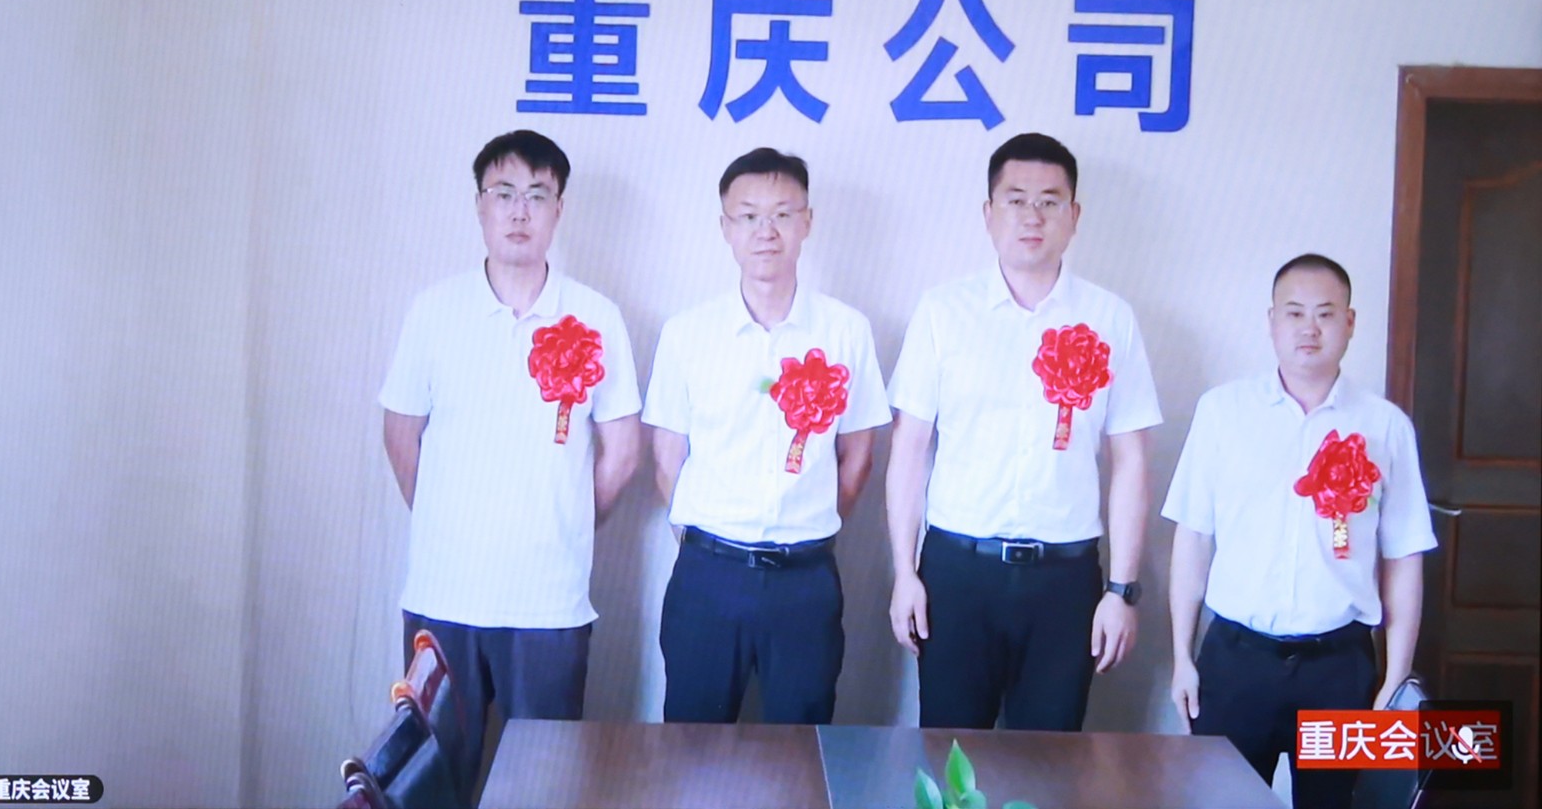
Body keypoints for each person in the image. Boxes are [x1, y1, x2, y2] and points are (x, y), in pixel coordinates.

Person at [378, 129, 642, 804]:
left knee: (547, 785)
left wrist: (565, 521)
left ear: (560, 209)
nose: (520, 211)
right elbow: (401, 435)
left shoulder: (596, 316)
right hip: (444, 595)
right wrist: (446, 520)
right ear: (479, 205)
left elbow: (623, 452)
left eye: (537, 195)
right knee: (432, 783)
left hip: (549, 600)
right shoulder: (434, 311)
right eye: (504, 193)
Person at [885, 132, 1161, 731]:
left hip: (1066, 580)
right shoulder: (942, 312)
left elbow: (1131, 462)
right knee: (950, 754)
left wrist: (1122, 590)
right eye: (1016, 200)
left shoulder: (1110, 319)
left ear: (1074, 216)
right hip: (958, 573)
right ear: (989, 214)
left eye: (1049, 201)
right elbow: (909, 450)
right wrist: (905, 573)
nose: (1032, 216)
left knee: (1051, 759)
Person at [1163, 253, 1436, 809]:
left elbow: (1405, 558)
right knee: (1223, 803)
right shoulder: (1222, 413)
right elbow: (1192, 539)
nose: (1309, 329)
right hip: (1236, 662)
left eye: (1325, 314)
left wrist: (1395, 678)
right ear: (1271, 322)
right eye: (1294, 313)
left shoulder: (1385, 427)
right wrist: (1182, 657)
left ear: (1350, 323)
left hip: (1339, 669)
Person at [642, 147, 890, 724]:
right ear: (725, 227)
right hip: (708, 575)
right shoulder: (687, 333)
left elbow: (857, 457)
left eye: (782, 214)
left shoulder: (846, 330)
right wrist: (710, 537)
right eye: (748, 216)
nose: (766, 232)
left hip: (806, 579)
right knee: (692, 745)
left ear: (808, 222)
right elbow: (667, 459)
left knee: (802, 746)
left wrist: (806, 523)